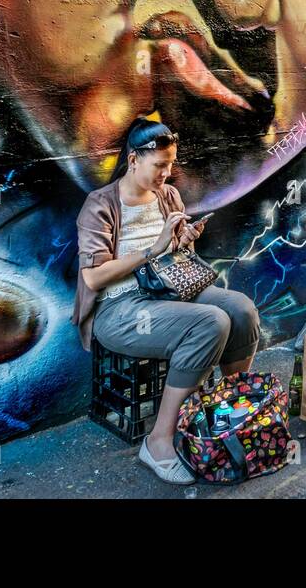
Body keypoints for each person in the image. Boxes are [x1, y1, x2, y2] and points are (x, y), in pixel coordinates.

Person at [74, 118, 261, 485]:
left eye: (170, 163)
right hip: (121, 308)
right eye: (159, 165)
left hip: (170, 287)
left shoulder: (168, 196)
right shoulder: (99, 205)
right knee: (211, 322)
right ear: (133, 160)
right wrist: (151, 249)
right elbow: (92, 277)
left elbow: (175, 254)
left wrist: (183, 240)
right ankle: (158, 440)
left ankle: (229, 413)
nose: (167, 172)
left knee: (241, 310)